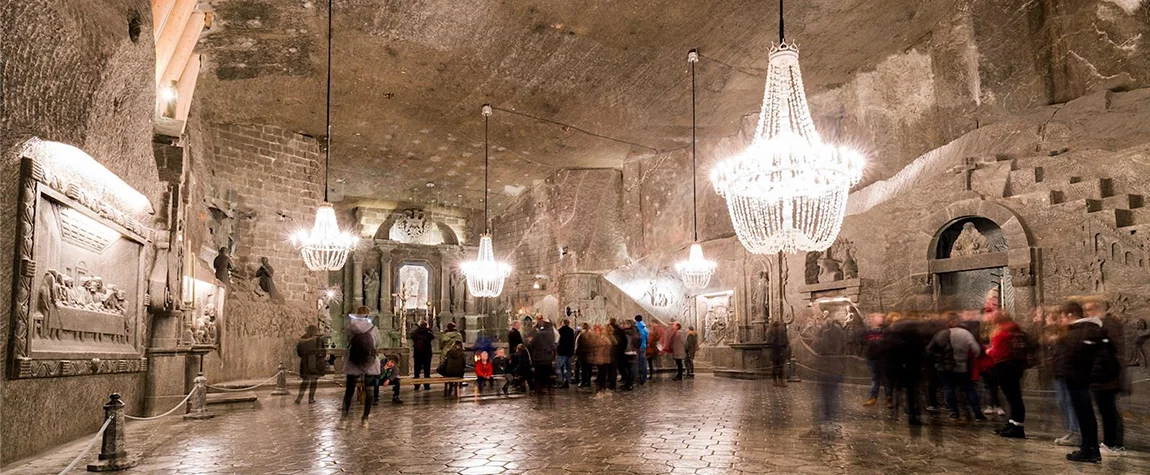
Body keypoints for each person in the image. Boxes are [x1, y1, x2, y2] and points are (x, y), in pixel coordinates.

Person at [1060, 301, 1121, 463]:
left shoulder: (1082, 331)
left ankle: (1090, 448)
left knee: (1087, 415)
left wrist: (1088, 376)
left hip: (1080, 380)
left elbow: (1080, 358)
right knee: (1086, 415)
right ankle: (1089, 447)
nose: (1061, 320)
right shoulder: (1086, 329)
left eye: (1062, 317)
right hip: (1081, 379)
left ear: (1070, 315)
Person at [1083, 299, 1127, 455]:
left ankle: (1113, 443)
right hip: (1103, 376)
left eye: (1089, 309)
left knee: (1108, 411)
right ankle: (1112, 442)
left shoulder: (1108, 324)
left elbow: (1109, 352)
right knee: (1107, 410)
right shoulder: (1103, 324)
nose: (1087, 313)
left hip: (1107, 376)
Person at [927, 312, 986, 421]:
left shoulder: (940, 334)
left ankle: (954, 412)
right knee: (969, 389)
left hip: (944, 367)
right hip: (962, 366)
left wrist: (939, 358)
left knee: (948, 388)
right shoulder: (966, 333)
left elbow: (929, 350)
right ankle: (977, 412)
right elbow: (976, 350)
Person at [986, 311, 1028, 438]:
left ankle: (1017, 427)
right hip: (1015, 365)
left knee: (1013, 398)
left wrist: (988, 351)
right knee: (1014, 397)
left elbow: (996, 352)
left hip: (1004, 366)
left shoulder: (1002, 334)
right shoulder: (1016, 330)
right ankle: (1013, 423)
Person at [341, 307, 379, 429]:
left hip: (354, 362)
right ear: (368, 316)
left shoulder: (350, 329)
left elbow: (347, 341)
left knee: (349, 391)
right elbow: (377, 343)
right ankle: (365, 419)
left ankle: (344, 418)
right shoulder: (374, 329)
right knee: (369, 391)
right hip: (370, 363)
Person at [859, 313, 890, 405]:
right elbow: (862, 341)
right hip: (872, 357)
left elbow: (888, 342)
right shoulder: (868, 331)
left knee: (885, 378)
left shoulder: (885, 331)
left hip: (883, 357)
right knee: (875, 377)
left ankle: (889, 397)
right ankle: (873, 397)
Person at [295, 325, 326, 404]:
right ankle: (311, 398)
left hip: (305, 363)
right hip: (315, 362)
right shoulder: (319, 340)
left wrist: (305, 356)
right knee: (314, 381)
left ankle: (299, 398)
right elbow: (323, 352)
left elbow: (299, 352)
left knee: (305, 381)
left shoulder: (302, 339)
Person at [529, 317, 558, 394]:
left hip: (539, 357)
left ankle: (539, 389)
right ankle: (549, 388)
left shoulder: (538, 334)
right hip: (548, 357)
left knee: (538, 375)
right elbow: (554, 344)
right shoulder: (552, 334)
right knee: (547, 374)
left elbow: (532, 344)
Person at [409, 321, 435, 390]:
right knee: (427, 371)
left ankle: (416, 385)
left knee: (417, 370)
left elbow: (411, 336)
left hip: (417, 354)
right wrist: (429, 329)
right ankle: (427, 385)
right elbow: (433, 337)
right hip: (427, 354)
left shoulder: (416, 333)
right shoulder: (428, 333)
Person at [766, 320, 789, 387]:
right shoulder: (774, 331)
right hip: (777, 349)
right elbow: (771, 341)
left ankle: (778, 381)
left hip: (777, 350)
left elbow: (769, 341)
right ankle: (778, 381)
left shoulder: (772, 331)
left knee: (777, 366)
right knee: (778, 366)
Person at [610, 318, 629, 390]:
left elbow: (617, 342)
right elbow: (625, 341)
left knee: (616, 367)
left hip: (616, 351)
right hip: (620, 351)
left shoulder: (614, 331)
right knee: (622, 367)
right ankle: (626, 380)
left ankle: (623, 381)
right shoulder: (620, 331)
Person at [556, 319, 575, 388]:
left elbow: (558, 341)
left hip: (561, 351)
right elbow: (572, 342)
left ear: (562, 323)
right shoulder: (571, 331)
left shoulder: (560, 331)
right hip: (569, 352)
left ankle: (560, 381)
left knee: (560, 367)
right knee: (568, 367)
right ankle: (567, 380)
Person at [575, 323, 594, 388]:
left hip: (582, 354)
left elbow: (577, 345)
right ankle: (588, 382)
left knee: (583, 369)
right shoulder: (592, 335)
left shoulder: (581, 335)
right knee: (589, 369)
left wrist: (576, 353)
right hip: (590, 354)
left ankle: (583, 382)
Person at [635, 315, 650, 385]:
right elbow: (647, 339)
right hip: (643, 347)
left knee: (635, 363)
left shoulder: (635, 328)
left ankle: (636, 378)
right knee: (643, 363)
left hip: (636, 347)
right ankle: (644, 378)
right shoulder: (645, 328)